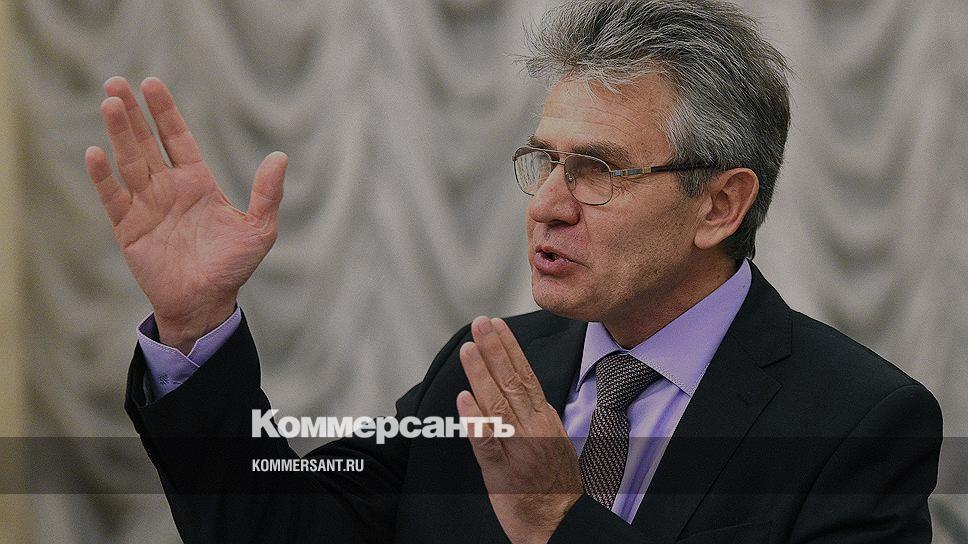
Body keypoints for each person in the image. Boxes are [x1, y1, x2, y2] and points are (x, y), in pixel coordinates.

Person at [85, 0, 942, 542]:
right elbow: (278, 528)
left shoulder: (860, 423)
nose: (549, 205)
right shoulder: (488, 368)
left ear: (720, 204)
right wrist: (195, 325)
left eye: (599, 170)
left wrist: (559, 519)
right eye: (545, 161)